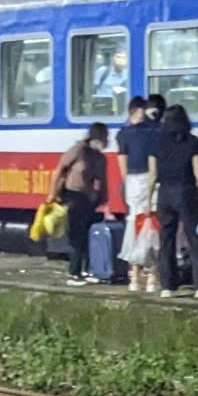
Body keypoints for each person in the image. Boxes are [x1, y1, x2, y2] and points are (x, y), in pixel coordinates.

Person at [147, 103, 198, 298]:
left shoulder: (156, 143)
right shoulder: (192, 142)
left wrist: (147, 200)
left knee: (166, 240)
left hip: (164, 194)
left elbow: (152, 175)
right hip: (186, 192)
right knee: (195, 239)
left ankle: (168, 286)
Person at [49, 123, 110, 285]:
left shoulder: (100, 158)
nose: (106, 141)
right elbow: (60, 170)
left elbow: (102, 180)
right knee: (76, 235)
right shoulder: (79, 150)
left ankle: (88, 269)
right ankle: (74, 273)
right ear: (95, 137)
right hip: (72, 196)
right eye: (104, 137)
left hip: (89, 199)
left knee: (88, 234)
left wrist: (104, 200)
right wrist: (52, 194)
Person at [115, 94, 161, 294]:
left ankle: (135, 277)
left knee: (135, 225)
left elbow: (122, 162)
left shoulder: (123, 133)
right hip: (151, 179)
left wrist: (126, 183)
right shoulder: (154, 130)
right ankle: (152, 276)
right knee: (153, 227)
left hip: (134, 180)